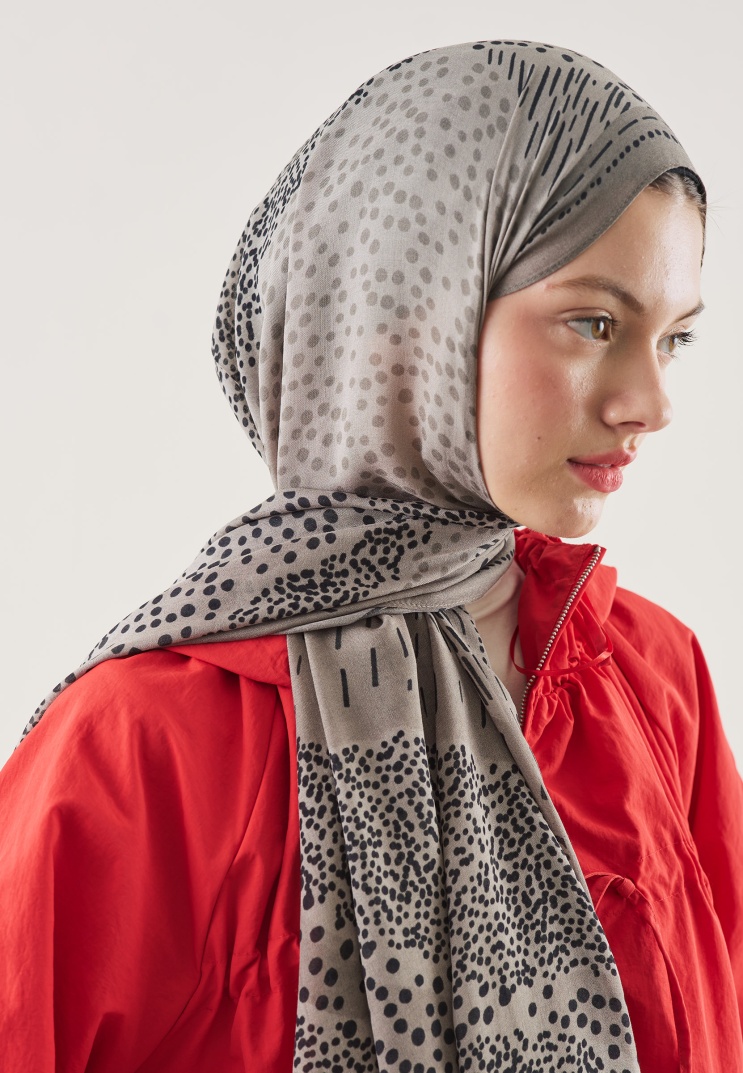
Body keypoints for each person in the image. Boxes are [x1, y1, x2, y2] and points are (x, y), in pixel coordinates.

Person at [0, 37, 741, 1073]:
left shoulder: (653, 679)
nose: (650, 403)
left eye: (674, 339)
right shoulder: (138, 748)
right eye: (591, 322)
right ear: (404, 316)